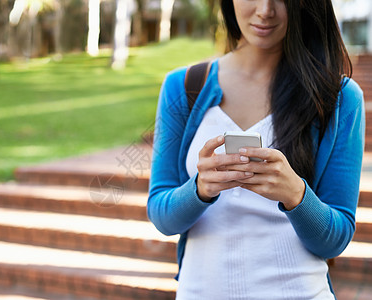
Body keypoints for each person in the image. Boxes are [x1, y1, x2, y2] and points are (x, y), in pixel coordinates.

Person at [147, 0, 365, 299]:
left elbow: (334, 241)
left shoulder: (337, 97)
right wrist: (199, 188)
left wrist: (295, 195)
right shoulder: (184, 86)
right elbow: (161, 215)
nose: (265, 10)